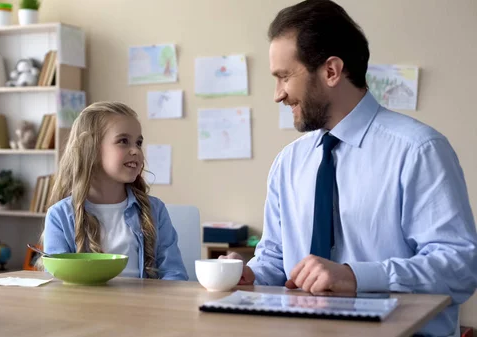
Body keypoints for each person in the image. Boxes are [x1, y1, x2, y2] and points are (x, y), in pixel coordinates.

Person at [221, 1, 477, 335]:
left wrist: (357, 277)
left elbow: (460, 269)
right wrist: (249, 273)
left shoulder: (419, 151)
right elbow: (275, 259)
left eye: (284, 77)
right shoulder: (288, 163)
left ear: (331, 71)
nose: (278, 95)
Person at [41, 101, 188, 281]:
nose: (135, 150)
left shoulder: (155, 210)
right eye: (123, 141)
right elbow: (58, 282)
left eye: (139, 142)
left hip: (145, 308)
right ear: (91, 149)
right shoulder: (60, 215)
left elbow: (174, 274)